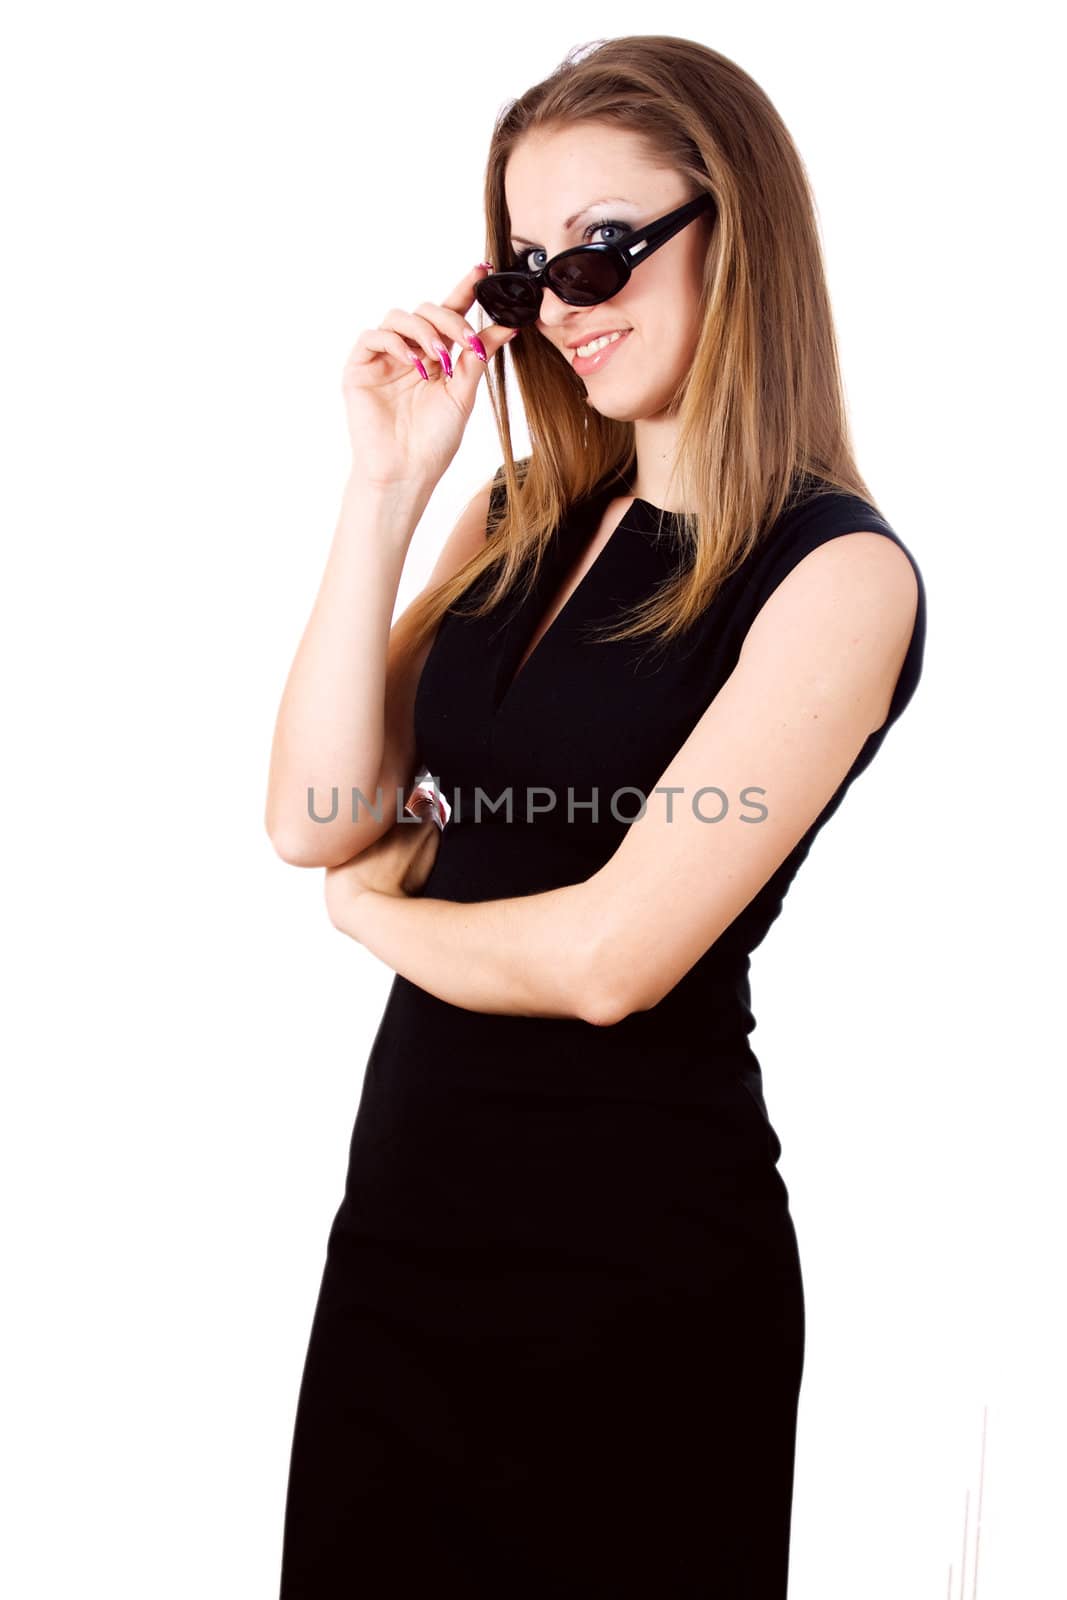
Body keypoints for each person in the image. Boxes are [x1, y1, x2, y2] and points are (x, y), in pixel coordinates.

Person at [266, 34, 926, 1599]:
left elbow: (612, 957)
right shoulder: (513, 519)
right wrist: (388, 489)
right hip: (408, 1229)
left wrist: (382, 917)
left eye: (604, 249)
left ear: (735, 229)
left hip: (636, 1275)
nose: (565, 302)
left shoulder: (838, 575)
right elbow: (313, 810)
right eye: (525, 270)